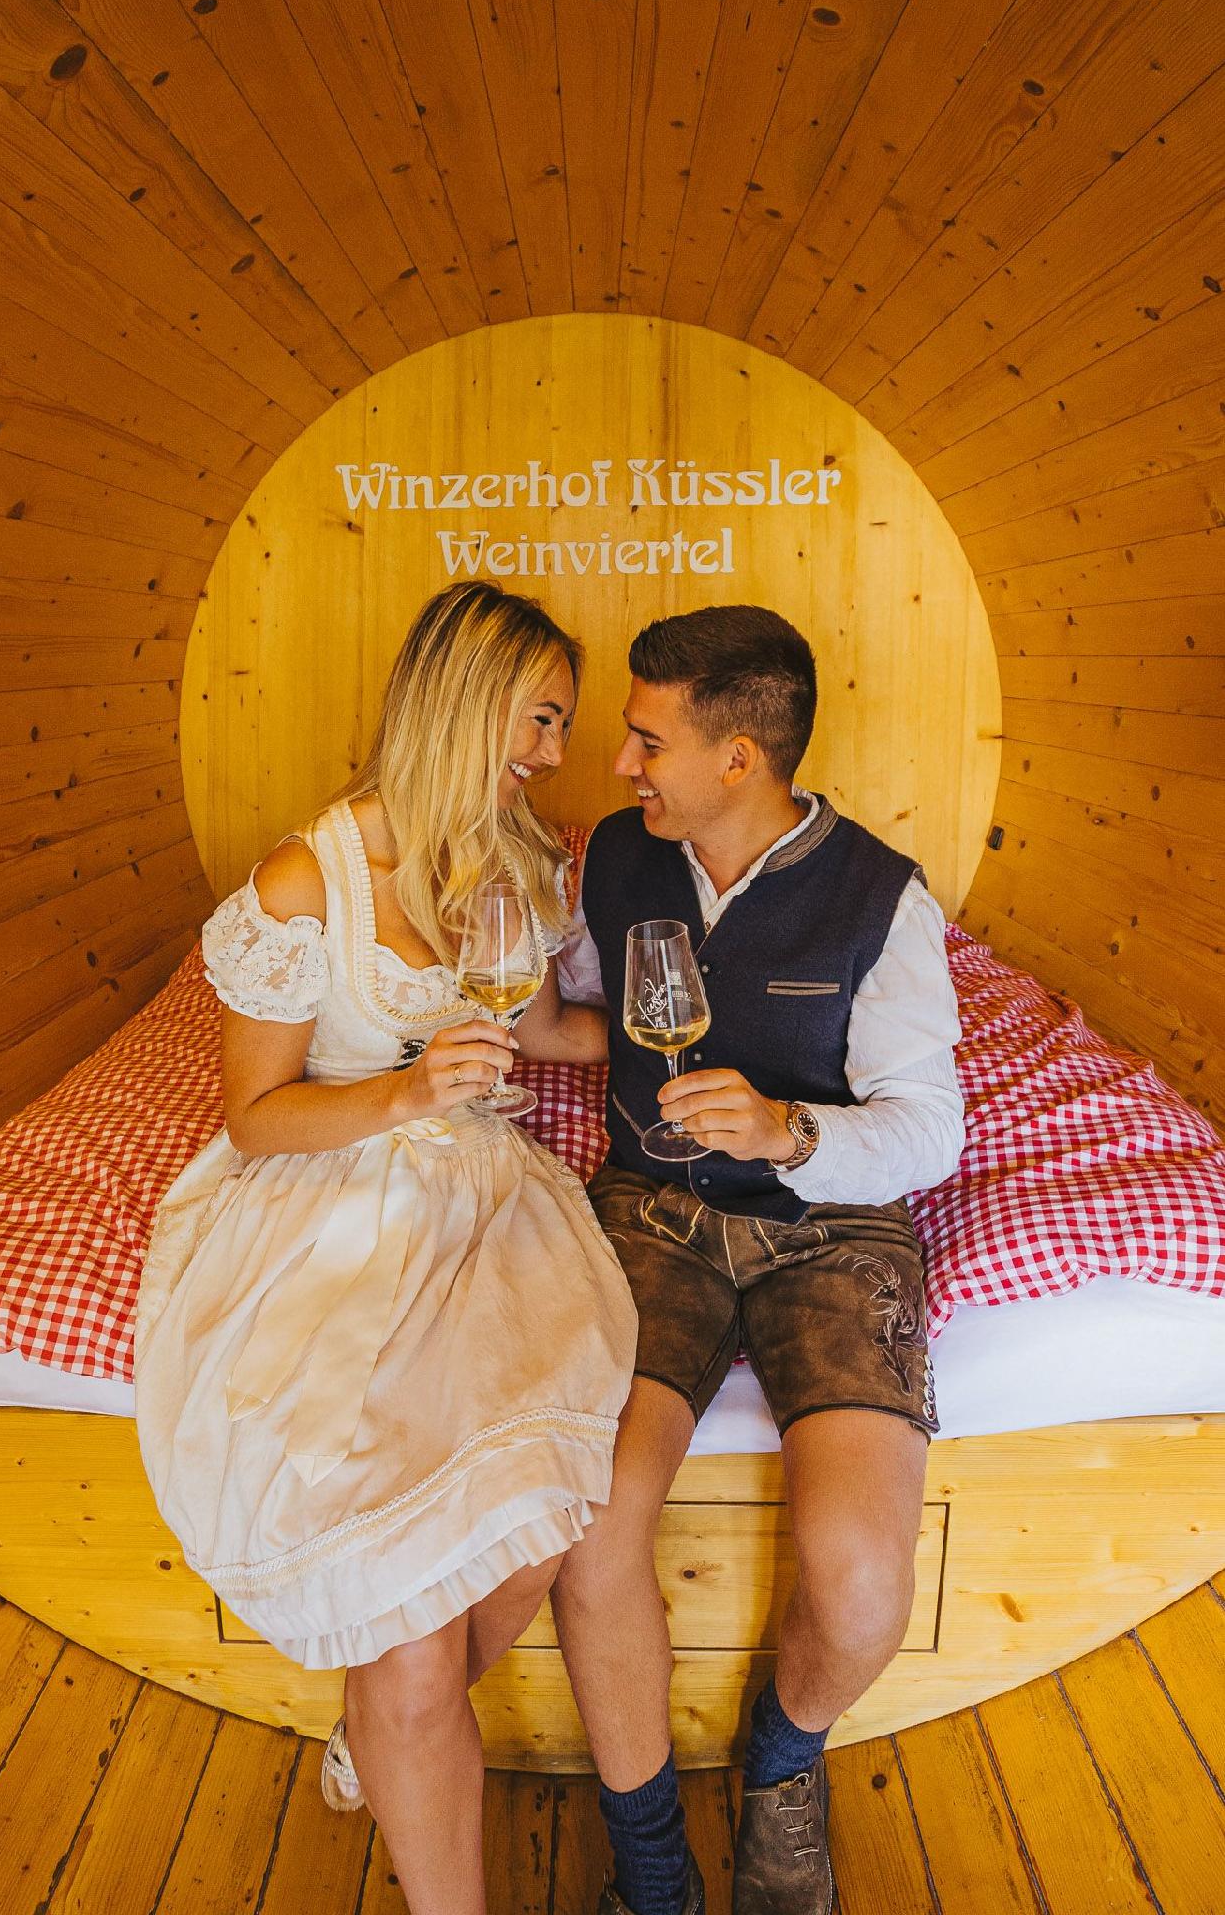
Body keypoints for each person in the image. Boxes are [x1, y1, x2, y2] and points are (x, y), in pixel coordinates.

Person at [134, 580, 638, 1915]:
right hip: (325, 1197)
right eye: (539, 719)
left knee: (538, 1537)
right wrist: (409, 1094)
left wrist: (677, 1044)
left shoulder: (515, 860)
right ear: (466, 703)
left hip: (481, 1199)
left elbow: (536, 1033)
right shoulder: (305, 882)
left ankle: (377, 1730)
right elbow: (255, 1118)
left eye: (561, 724)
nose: (553, 752)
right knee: (414, 1646)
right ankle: (402, 1734)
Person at [551, 605, 965, 1915]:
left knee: (862, 1583)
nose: (622, 764)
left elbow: (930, 1129)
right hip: (654, 1206)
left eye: (646, 739)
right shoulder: (618, 856)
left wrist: (790, 1130)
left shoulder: (883, 899)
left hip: (829, 1225)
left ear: (738, 757)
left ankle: (783, 1761)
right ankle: (651, 1863)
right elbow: (585, 1006)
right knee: (590, 1530)